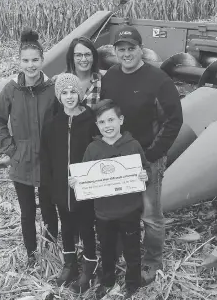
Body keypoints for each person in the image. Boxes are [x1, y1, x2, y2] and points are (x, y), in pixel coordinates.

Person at [100, 25, 183, 285]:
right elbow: (105, 115)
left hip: (148, 158)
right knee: (118, 209)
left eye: (131, 48)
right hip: (118, 156)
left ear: (141, 50)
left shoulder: (158, 80)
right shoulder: (110, 77)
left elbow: (174, 120)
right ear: (115, 51)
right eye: (121, 49)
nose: (126, 54)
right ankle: (114, 254)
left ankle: (151, 261)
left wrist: (153, 154)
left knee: (150, 214)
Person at [69, 99, 151, 299]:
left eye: (111, 120)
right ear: (97, 125)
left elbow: (146, 169)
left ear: (121, 120)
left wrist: (144, 176)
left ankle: (133, 282)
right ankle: (107, 281)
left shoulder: (132, 145)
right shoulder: (93, 149)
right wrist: (76, 182)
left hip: (129, 209)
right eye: (102, 122)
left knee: (132, 249)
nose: (108, 125)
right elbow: (85, 175)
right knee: (106, 249)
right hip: (103, 212)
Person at [0, 29, 59, 267]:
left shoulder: (52, 89)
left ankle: (53, 248)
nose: (31, 65)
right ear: (19, 62)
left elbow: (62, 124)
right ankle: (31, 254)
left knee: (50, 209)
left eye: (35, 60)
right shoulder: (11, 90)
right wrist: (12, 150)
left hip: (49, 162)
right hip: (22, 162)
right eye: (26, 60)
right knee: (28, 213)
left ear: (42, 61)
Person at [40, 73, 99, 294]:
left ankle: (90, 264)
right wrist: (49, 184)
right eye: (64, 93)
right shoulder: (53, 123)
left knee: (86, 226)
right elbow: (45, 156)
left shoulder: (91, 121)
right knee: (66, 225)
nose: (69, 96)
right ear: (58, 96)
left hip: (84, 186)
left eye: (73, 91)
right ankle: (70, 264)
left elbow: (99, 153)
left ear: (80, 94)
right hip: (61, 187)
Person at [65, 36, 101, 108]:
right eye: (78, 55)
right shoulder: (62, 81)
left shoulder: (101, 80)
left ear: (93, 56)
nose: (84, 59)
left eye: (87, 54)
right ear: (72, 57)